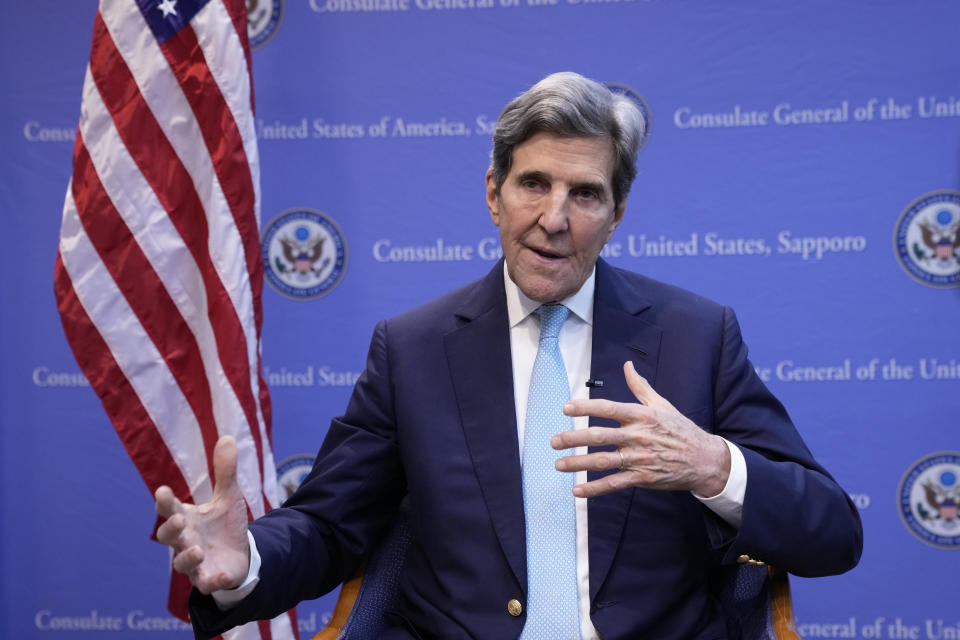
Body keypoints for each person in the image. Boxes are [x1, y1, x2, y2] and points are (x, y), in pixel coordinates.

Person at [155, 72, 863, 640]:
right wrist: (243, 560)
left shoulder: (697, 337)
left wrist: (715, 468)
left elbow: (833, 531)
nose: (554, 219)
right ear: (494, 194)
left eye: (585, 194)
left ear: (617, 216)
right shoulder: (413, 350)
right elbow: (331, 524)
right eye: (534, 184)